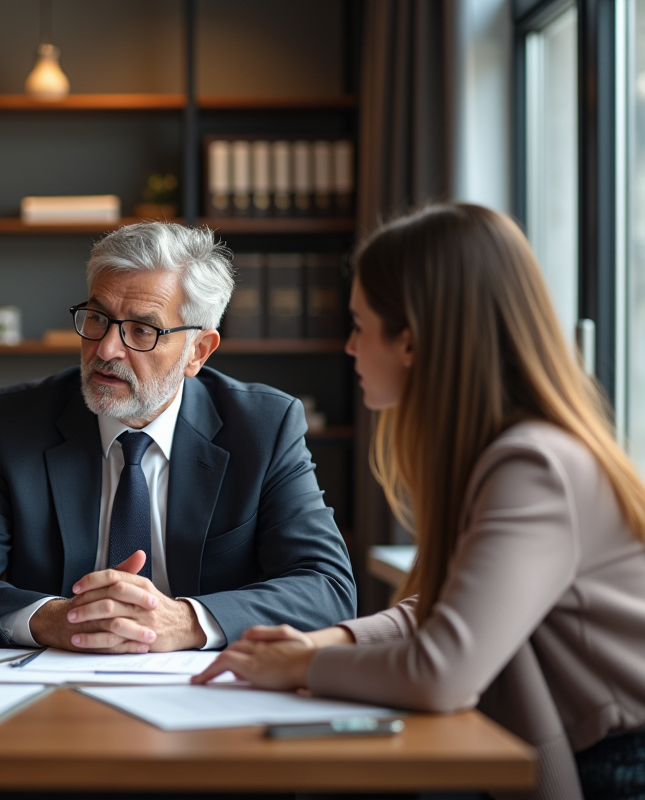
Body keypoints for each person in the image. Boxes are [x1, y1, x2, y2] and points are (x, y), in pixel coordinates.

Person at [194, 203, 645, 800]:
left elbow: (442, 671)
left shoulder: (531, 467)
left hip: (620, 764)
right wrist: (327, 642)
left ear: (408, 340)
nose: (349, 347)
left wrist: (299, 667)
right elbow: (440, 613)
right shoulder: (498, 455)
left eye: (360, 325)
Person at [0, 221, 356, 653]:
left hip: (203, 688)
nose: (106, 348)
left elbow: (328, 588)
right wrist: (54, 618)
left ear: (197, 352)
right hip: (54, 679)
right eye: (97, 318)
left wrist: (187, 622)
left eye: (142, 330)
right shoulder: (12, 424)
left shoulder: (263, 428)